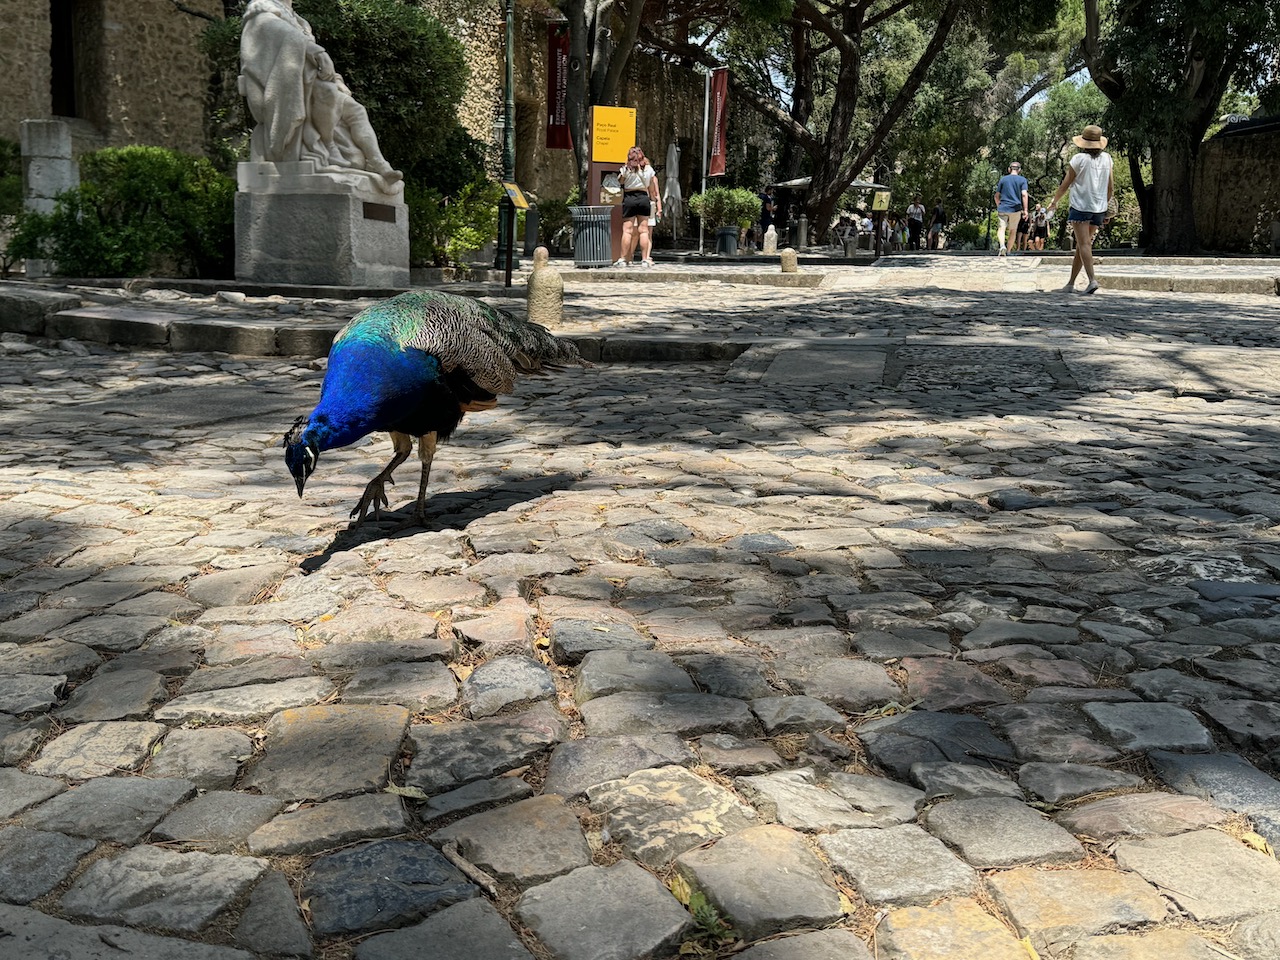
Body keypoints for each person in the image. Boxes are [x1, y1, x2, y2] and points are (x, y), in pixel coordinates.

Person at [239, 0, 401, 190]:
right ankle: (328, 144)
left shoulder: (298, 21)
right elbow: (286, 42)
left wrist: (337, 80)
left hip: (312, 86)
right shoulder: (260, 15)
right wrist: (317, 51)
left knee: (357, 109)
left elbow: (317, 64)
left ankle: (379, 163)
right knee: (329, 93)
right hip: (291, 90)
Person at [1048, 124, 1114, 294]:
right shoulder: (1107, 158)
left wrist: (1054, 201)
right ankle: (1070, 283)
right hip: (1099, 207)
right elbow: (1110, 188)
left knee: (1084, 243)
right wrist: (1106, 207)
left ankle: (1092, 280)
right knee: (1081, 245)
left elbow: (1065, 184)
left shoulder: (1078, 160)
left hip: (1081, 206)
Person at [614, 146, 662, 268]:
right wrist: (654, 200)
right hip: (643, 198)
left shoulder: (626, 169)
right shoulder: (649, 169)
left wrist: (625, 172)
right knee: (644, 230)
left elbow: (620, 181)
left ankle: (623, 259)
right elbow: (651, 187)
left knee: (627, 230)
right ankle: (645, 259)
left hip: (629, 197)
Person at [993, 161, 1029, 256]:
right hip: (1016, 209)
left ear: (1009, 169)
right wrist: (1025, 210)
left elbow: (996, 196)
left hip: (1003, 207)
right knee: (1013, 230)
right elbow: (1024, 194)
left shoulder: (1003, 180)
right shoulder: (1023, 180)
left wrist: (999, 205)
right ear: (1019, 170)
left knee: (1001, 228)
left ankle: (1002, 246)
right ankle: (1008, 251)